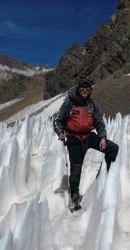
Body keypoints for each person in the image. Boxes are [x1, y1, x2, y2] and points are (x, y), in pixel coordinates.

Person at [53, 78, 119, 208]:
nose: (84, 90)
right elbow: (58, 121)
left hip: (89, 136)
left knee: (113, 149)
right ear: (78, 89)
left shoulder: (93, 105)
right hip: (74, 138)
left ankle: (104, 178)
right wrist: (60, 132)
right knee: (76, 167)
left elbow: (99, 123)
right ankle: (75, 196)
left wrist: (102, 138)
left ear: (90, 90)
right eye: (82, 88)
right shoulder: (69, 102)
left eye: (87, 88)